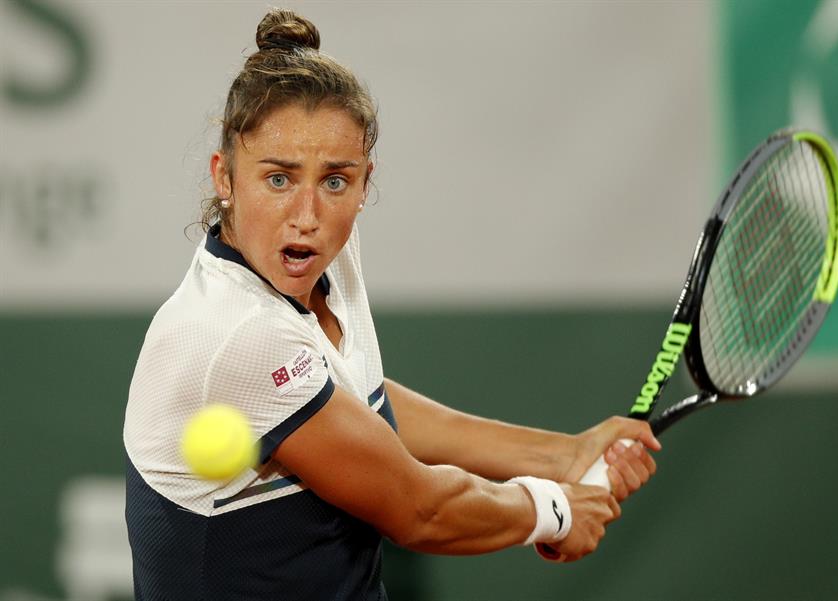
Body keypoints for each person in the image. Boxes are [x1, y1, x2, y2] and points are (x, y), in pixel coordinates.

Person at [123, 9, 660, 601]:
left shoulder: (326, 250)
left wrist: (562, 454)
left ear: (363, 181)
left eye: (335, 181)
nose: (307, 215)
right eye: (277, 179)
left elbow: (358, 403)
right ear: (224, 176)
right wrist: (554, 509)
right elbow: (419, 509)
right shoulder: (235, 334)